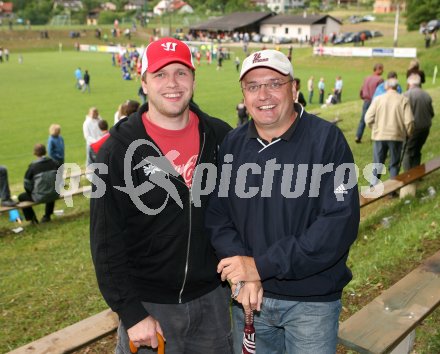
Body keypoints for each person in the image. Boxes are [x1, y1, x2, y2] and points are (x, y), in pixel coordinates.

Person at [206, 49, 360, 354]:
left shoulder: (327, 141)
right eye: (253, 86)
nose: (263, 94)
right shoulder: (233, 144)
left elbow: (336, 226)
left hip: (310, 302)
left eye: (274, 83)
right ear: (244, 95)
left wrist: (260, 267)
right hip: (249, 297)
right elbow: (217, 215)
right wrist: (244, 272)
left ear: (294, 88)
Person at [90, 37, 233, 354]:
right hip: (148, 308)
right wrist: (131, 313)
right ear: (143, 82)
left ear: (194, 79)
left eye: (181, 73)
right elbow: (105, 241)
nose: (172, 83)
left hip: (212, 301)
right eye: (160, 74)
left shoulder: (221, 137)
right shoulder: (117, 151)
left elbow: (240, 215)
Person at [365, 77, 414, 184]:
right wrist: (409, 133)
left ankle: (373, 188)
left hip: (379, 135)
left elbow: (368, 118)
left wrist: (374, 128)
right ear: (397, 87)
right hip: (396, 136)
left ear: (386, 86)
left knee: (377, 163)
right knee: (394, 164)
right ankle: (392, 189)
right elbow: (409, 121)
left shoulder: (378, 99)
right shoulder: (403, 100)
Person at [18, 144, 59, 224]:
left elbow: (26, 184)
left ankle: (32, 219)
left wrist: (32, 192)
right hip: (55, 193)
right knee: (51, 188)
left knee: (21, 197)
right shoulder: (54, 163)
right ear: (46, 152)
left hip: (39, 196)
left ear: (34, 153)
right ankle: (47, 216)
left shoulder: (32, 167)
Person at [402, 74, 435, 171]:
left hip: (413, 129)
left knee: (407, 151)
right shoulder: (426, 95)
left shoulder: (406, 95)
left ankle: (408, 176)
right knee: (417, 150)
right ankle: (417, 173)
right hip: (425, 128)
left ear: (409, 83)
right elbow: (431, 113)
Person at [355, 63, 384, 143]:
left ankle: (358, 136)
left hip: (366, 101)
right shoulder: (380, 79)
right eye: (382, 69)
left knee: (363, 119)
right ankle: (375, 137)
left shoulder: (366, 78)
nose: (383, 71)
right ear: (378, 69)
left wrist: (362, 97)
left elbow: (361, 89)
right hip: (375, 102)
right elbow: (381, 92)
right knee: (376, 119)